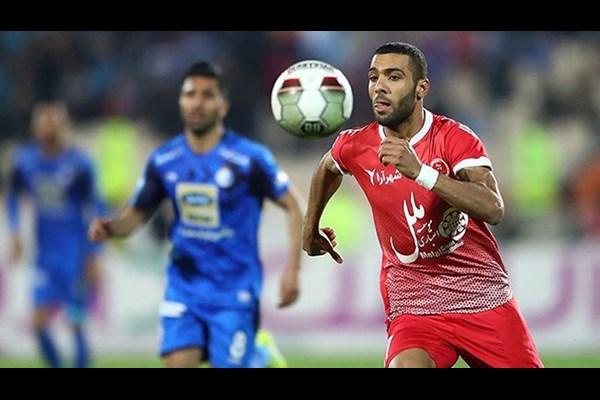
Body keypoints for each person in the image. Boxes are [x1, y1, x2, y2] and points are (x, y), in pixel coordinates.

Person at [301, 42, 544, 368]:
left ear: (421, 88)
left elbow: (493, 207)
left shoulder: (454, 138)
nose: (379, 87)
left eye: (394, 77)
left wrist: (422, 173)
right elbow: (328, 167)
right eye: (374, 78)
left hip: (481, 298)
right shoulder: (357, 145)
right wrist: (310, 226)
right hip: (413, 307)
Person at [88, 61, 304, 368]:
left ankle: (260, 355)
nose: (198, 102)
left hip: (234, 291)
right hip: (185, 286)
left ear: (223, 105)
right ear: (181, 102)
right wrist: (110, 229)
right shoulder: (165, 160)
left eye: (207, 95)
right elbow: (136, 216)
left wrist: (293, 270)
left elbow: (294, 205)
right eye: (190, 94)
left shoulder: (249, 159)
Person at [6, 100, 106, 368]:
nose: (49, 127)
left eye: (54, 122)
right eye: (44, 122)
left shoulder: (80, 163)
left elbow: (96, 206)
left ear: (65, 126)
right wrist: (14, 232)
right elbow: (13, 197)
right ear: (35, 127)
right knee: (38, 323)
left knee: (75, 323)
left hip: (75, 255)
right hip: (44, 255)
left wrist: (95, 253)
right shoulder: (25, 161)